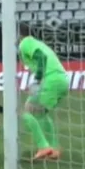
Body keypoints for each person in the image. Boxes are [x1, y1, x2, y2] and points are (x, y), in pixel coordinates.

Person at [18, 27, 70, 161]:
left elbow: (41, 57)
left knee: (26, 112)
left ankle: (43, 147)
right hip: (61, 80)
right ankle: (54, 149)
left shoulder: (25, 42)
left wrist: (37, 80)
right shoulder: (37, 43)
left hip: (50, 80)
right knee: (41, 113)